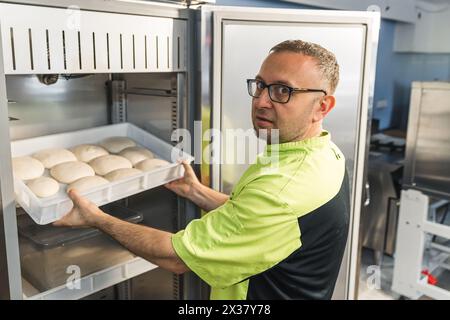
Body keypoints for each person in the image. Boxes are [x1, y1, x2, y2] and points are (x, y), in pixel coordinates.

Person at [54, 40, 350, 300]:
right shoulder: (325, 155)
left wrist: (96, 218)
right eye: (260, 85)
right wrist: (197, 192)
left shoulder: (284, 190)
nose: (261, 101)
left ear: (322, 106)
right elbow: (260, 220)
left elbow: (175, 257)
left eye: (282, 91)